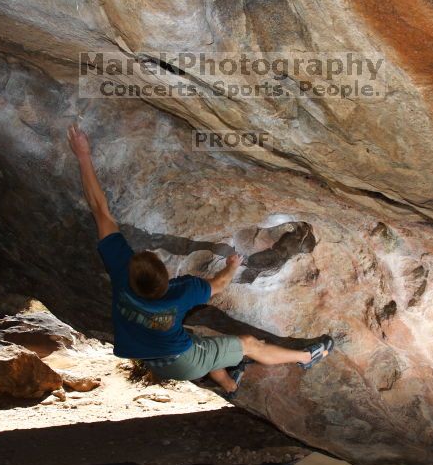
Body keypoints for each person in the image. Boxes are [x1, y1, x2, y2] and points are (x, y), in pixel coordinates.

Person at [67, 123, 333, 397]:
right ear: (163, 278)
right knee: (249, 344)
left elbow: (99, 210)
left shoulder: (123, 277)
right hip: (183, 361)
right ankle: (306, 358)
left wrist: (83, 156)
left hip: (150, 357)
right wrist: (233, 265)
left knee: (203, 344)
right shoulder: (181, 293)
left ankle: (229, 384)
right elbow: (218, 284)